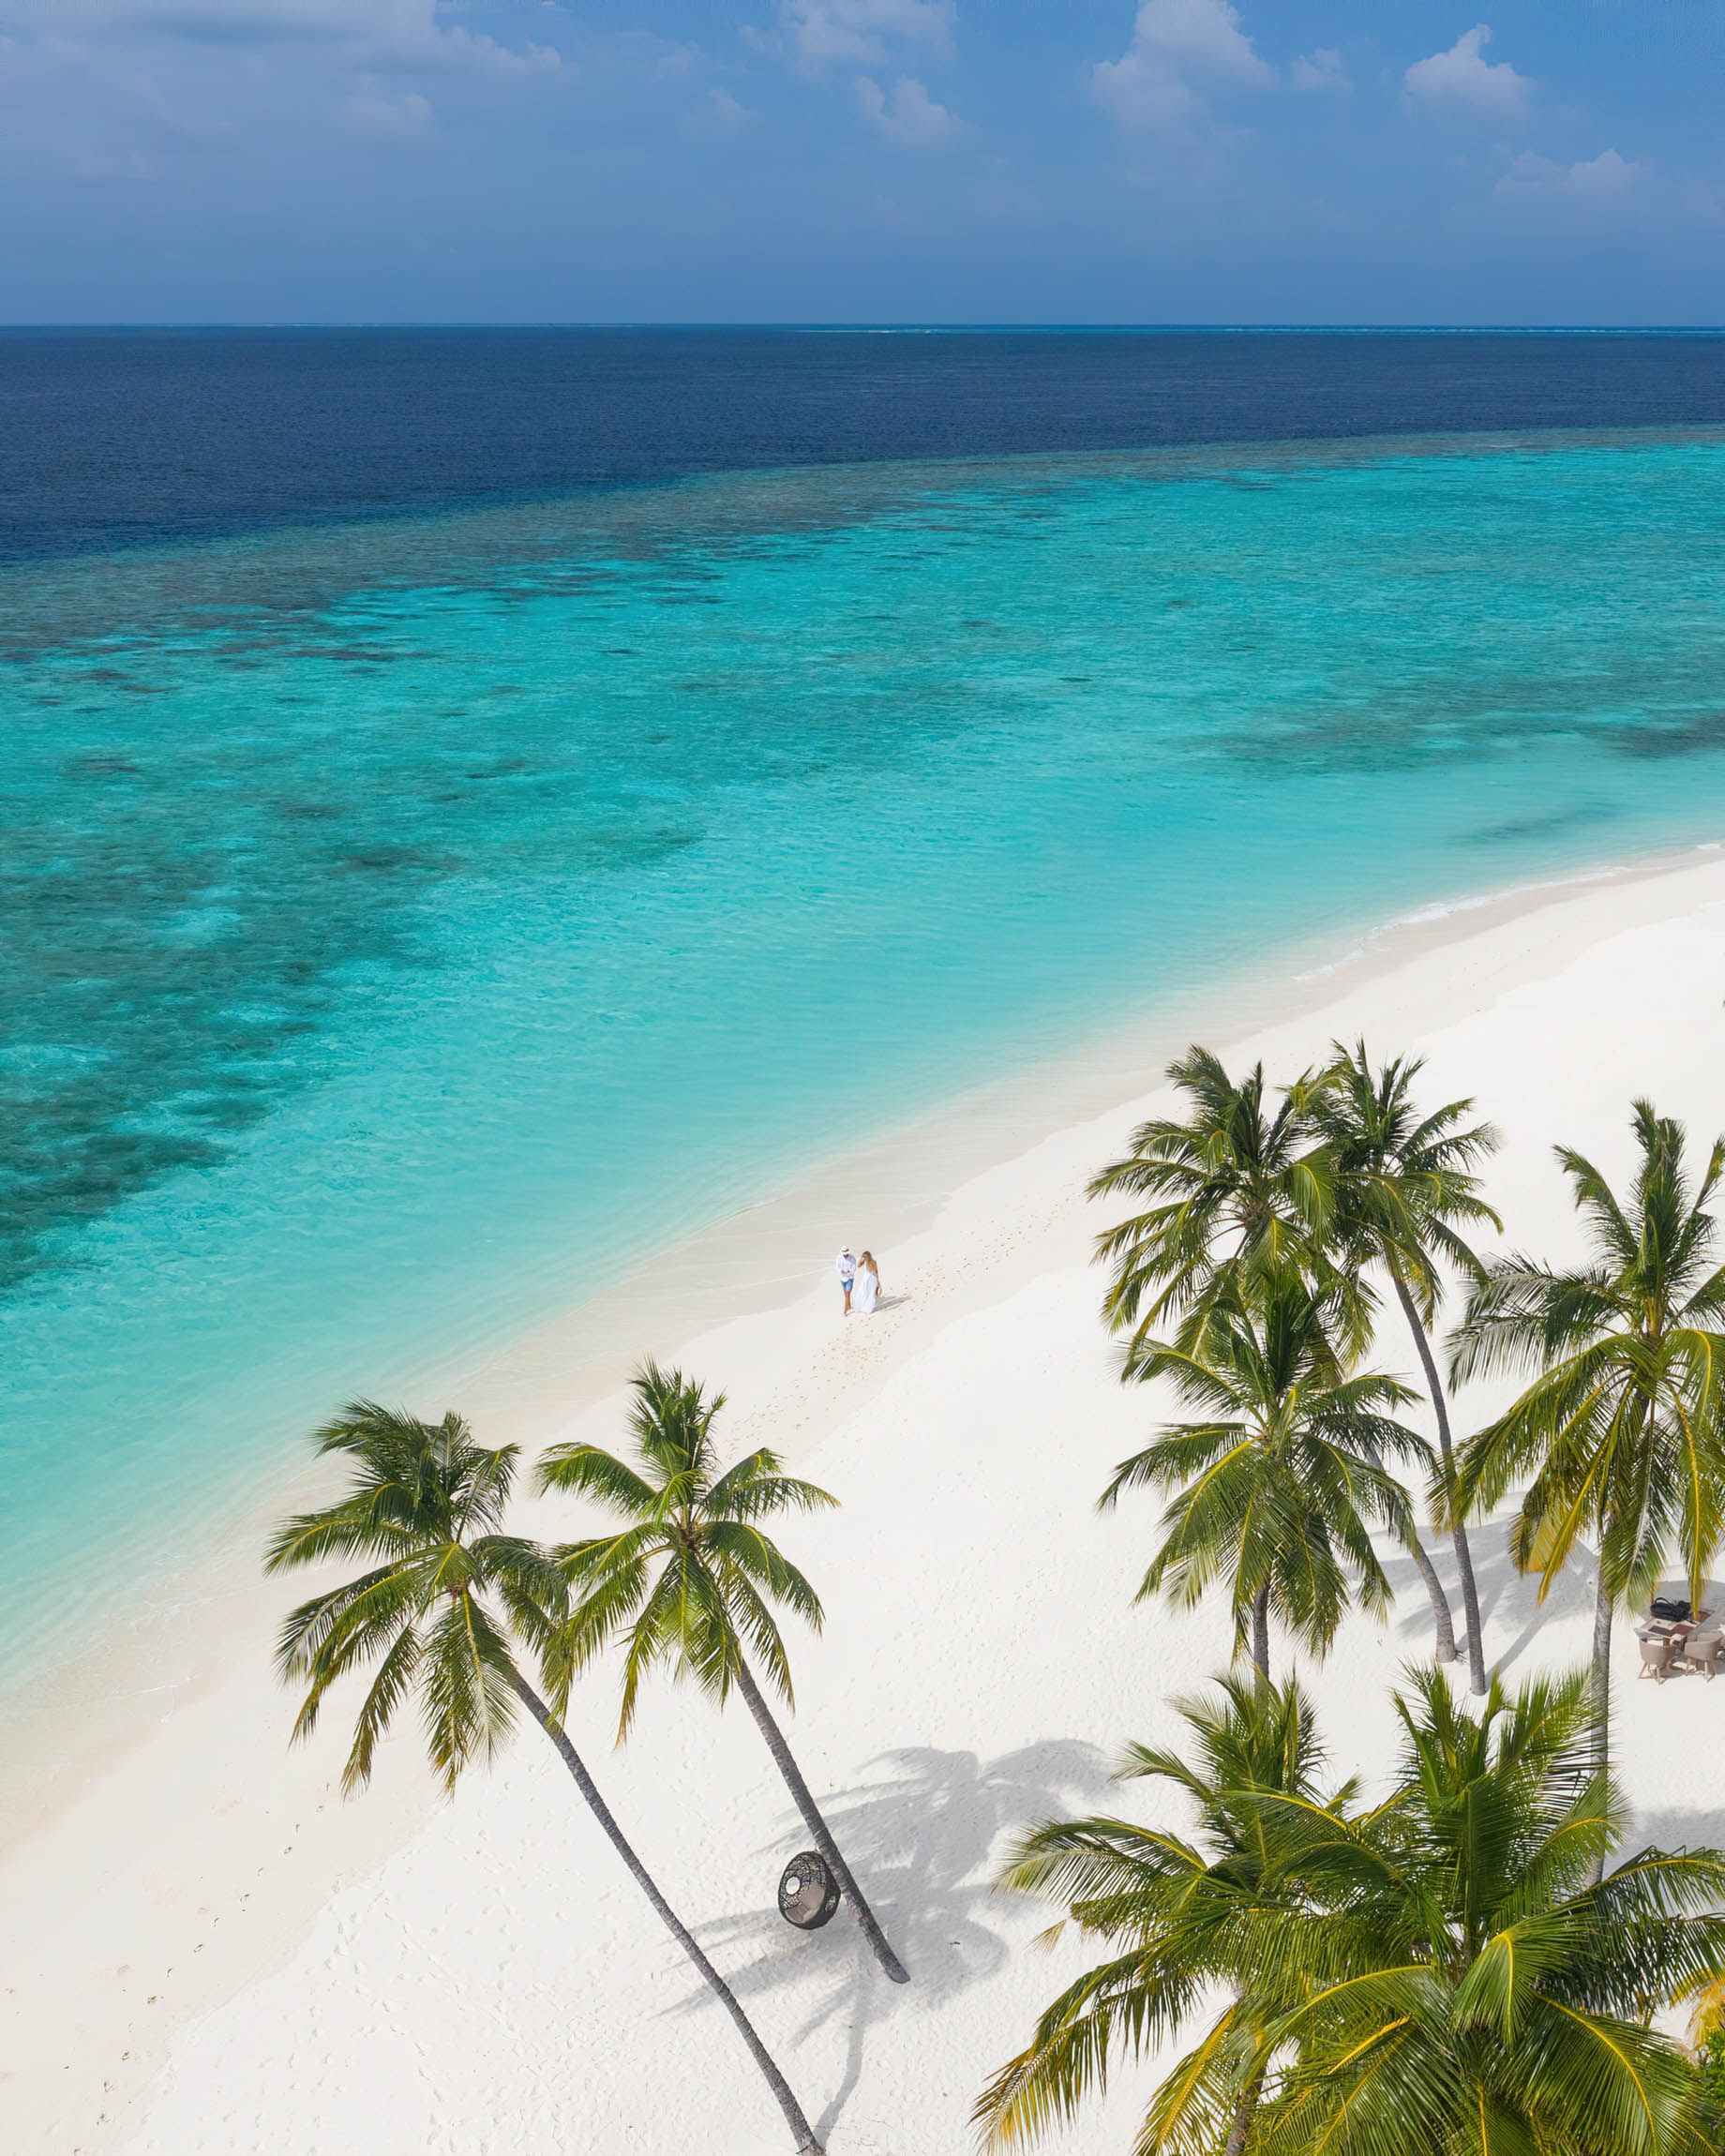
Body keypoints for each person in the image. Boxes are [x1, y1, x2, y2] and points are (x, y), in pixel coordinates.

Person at [852, 1250, 880, 1316]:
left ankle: (867, 1308)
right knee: (865, 1292)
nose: (864, 1258)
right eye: (863, 1256)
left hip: (870, 1279)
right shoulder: (867, 1262)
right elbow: (858, 1266)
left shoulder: (872, 1262)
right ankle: (865, 1307)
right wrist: (862, 1259)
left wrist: (878, 1282)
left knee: (867, 1293)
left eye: (865, 1256)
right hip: (869, 1279)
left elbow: (876, 1271)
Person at [835, 1246, 857, 1314]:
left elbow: (854, 1267)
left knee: (847, 1294)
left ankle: (845, 1310)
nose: (845, 1254)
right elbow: (837, 1267)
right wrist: (841, 1271)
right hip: (842, 1278)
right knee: (846, 1294)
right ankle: (849, 1306)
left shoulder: (852, 1258)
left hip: (849, 1278)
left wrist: (848, 1271)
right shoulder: (838, 1258)